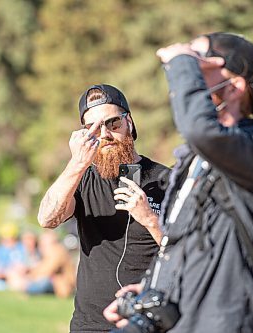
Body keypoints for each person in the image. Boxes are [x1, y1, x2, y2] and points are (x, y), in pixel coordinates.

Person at [104, 32, 253, 332]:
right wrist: (155, 289)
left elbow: (200, 129)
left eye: (199, 69)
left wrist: (181, 61)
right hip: (187, 317)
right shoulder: (198, 161)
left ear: (235, 88)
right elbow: (184, 243)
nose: (186, 80)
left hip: (230, 322)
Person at [38, 84, 169, 332]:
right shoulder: (82, 178)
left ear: (129, 122)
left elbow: (185, 251)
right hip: (90, 324)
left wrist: (150, 219)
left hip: (147, 321)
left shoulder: (168, 180)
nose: (105, 134)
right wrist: (76, 164)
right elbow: (47, 218)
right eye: (94, 128)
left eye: (113, 123)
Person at [7, 230, 76, 298]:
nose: (40, 247)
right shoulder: (52, 252)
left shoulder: (57, 252)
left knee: (43, 282)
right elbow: (42, 267)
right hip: (56, 284)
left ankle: (26, 288)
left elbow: (48, 270)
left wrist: (29, 277)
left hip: (62, 286)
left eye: (43, 244)